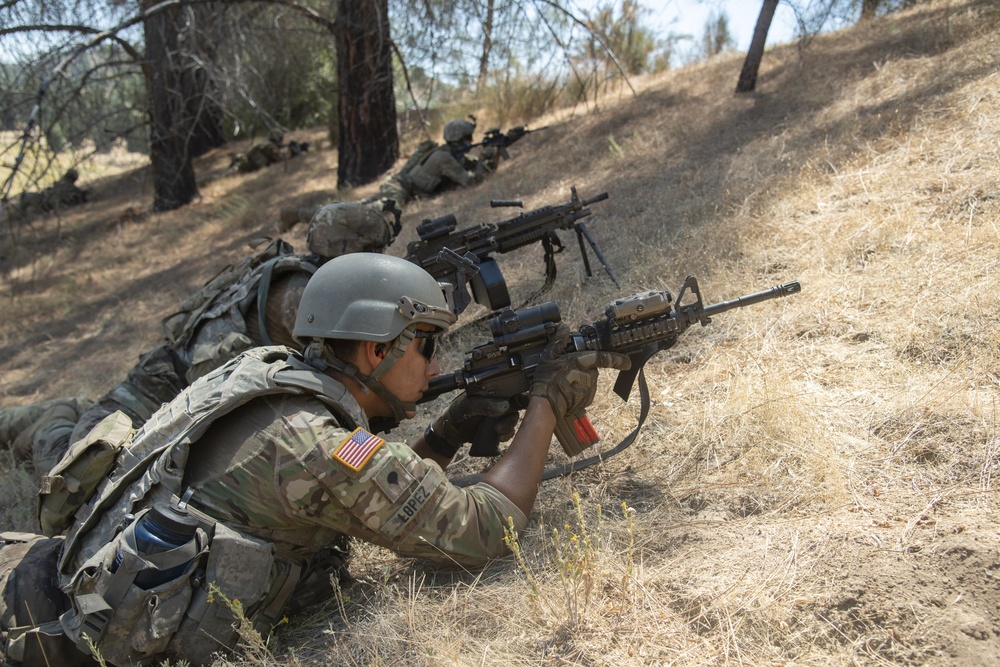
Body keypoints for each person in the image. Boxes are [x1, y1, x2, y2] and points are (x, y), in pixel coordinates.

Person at [0, 253, 630, 666]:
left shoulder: (265, 373)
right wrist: (546, 401)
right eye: (427, 345)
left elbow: (374, 482)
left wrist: (451, 426)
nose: (436, 364)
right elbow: (484, 529)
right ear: (371, 352)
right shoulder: (317, 446)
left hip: (47, 577)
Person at [0, 202, 401, 479]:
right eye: (376, 251)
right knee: (72, 479)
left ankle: (68, 410)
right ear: (353, 251)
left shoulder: (306, 275)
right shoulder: (303, 292)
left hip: (168, 393)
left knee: (84, 426)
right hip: (145, 402)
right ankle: (53, 422)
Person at [278, 118, 501, 230]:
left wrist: (491, 157)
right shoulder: (444, 158)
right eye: (469, 138)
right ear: (461, 138)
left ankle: (298, 215)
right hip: (400, 187)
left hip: (401, 184)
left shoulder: (449, 154)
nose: (472, 141)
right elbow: (471, 182)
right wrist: (483, 161)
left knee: (357, 205)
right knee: (368, 211)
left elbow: (476, 169)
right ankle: (301, 215)